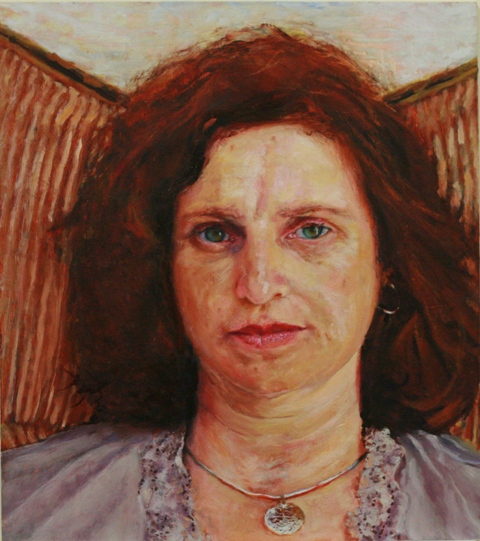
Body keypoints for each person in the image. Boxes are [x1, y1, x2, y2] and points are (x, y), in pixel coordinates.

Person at [2, 26, 479, 541]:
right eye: (215, 233)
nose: (258, 285)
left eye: (311, 230)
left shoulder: (466, 507)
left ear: (388, 262)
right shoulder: (26, 505)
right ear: (163, 266)